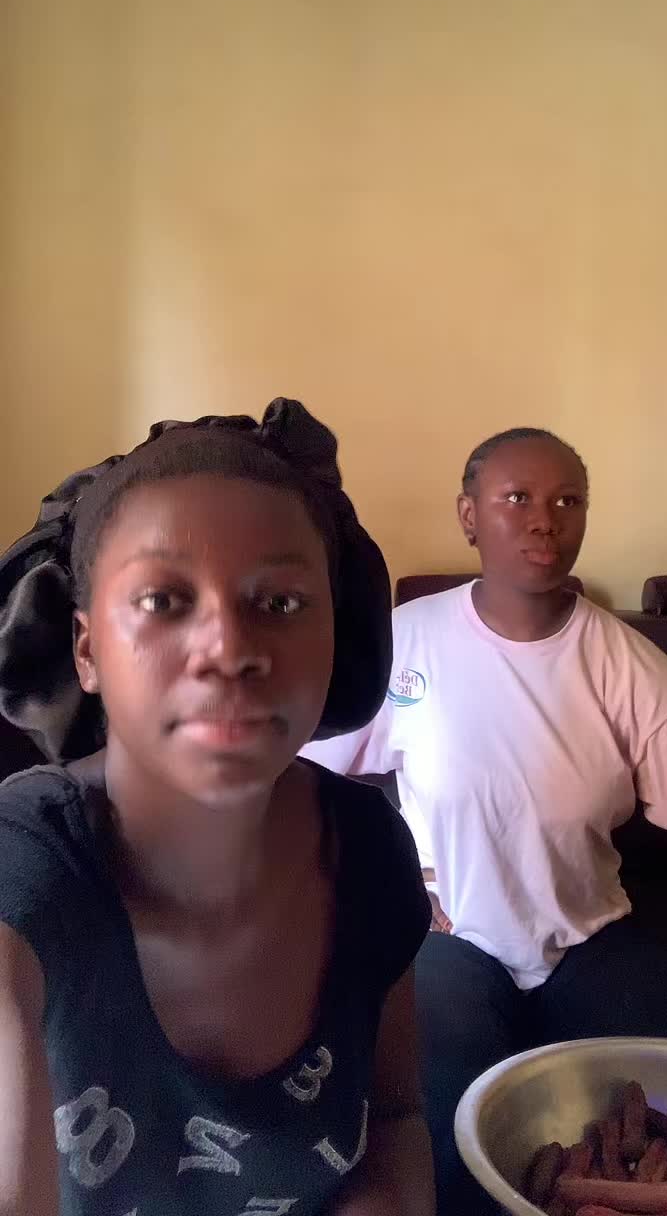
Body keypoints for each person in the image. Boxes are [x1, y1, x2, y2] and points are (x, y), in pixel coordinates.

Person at [0, 401, 434, 1216]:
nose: (230, 650)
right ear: (87, 650)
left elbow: (396, 1117)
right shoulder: (22, 869)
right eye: (163, 600)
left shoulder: (371, 850)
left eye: (282, 603)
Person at [305, 426, 667, 1215]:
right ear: (469, 515)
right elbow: (304, 784)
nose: (544, 521)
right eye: (517, 498)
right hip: (445, 937)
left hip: (588, 936)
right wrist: (375, 890)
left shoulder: (628, 665)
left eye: (568, 502)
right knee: (441, 1116)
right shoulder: (407, 640)